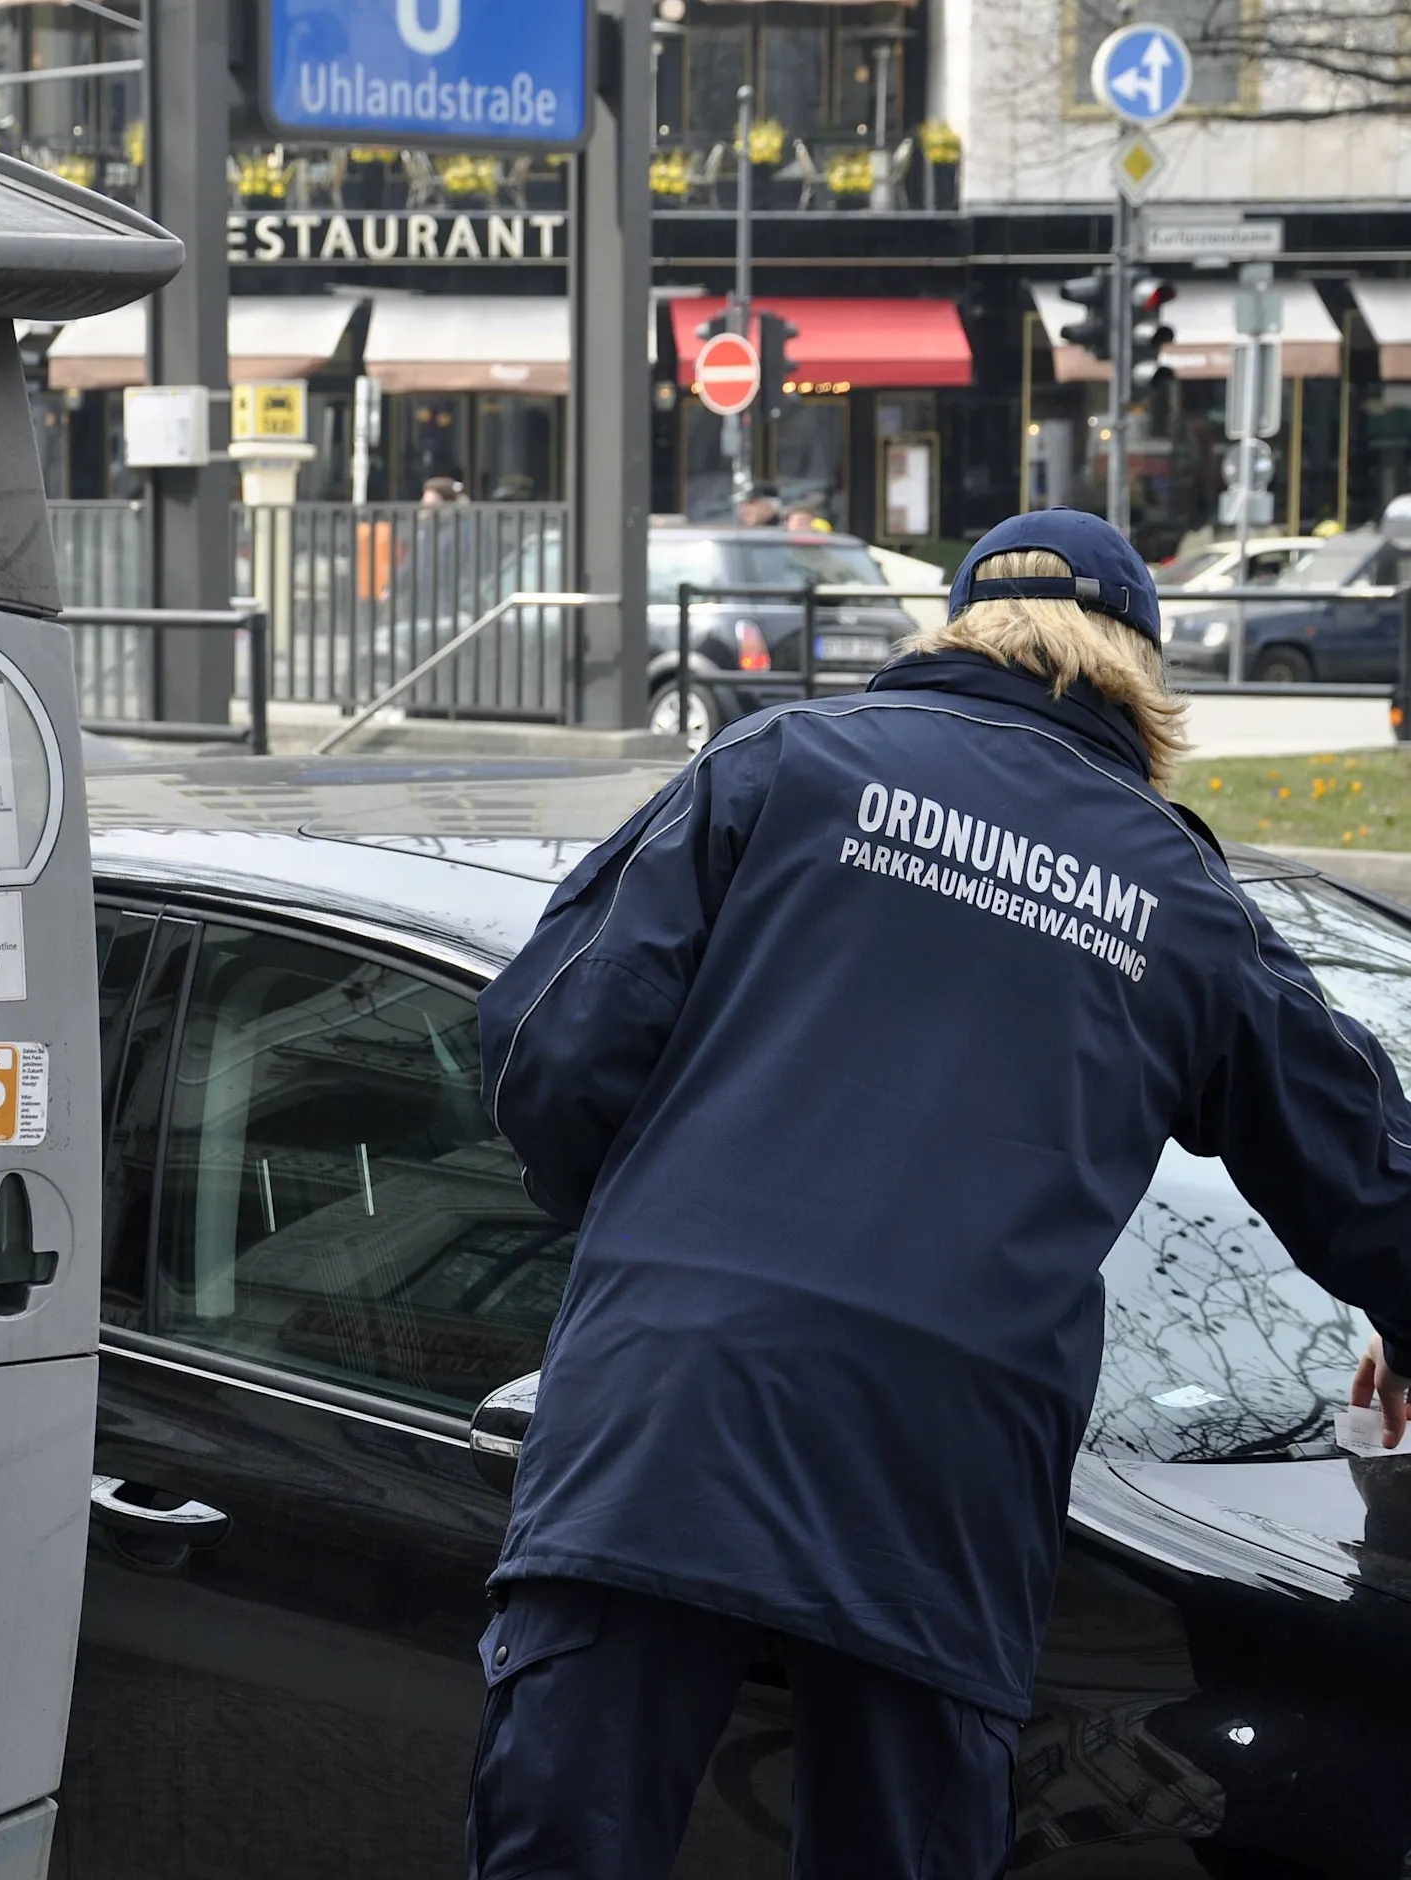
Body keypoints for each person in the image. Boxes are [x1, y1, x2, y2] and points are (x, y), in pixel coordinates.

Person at [468, 506, 1411, 1880]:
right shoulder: (1179, 898)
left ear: (956, 629)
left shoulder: (778, 766)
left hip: (671, 1412)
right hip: (947, 1460)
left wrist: (648, 1233)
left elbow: (547, 1048)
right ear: (1140, 672)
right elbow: (1362, 1165)